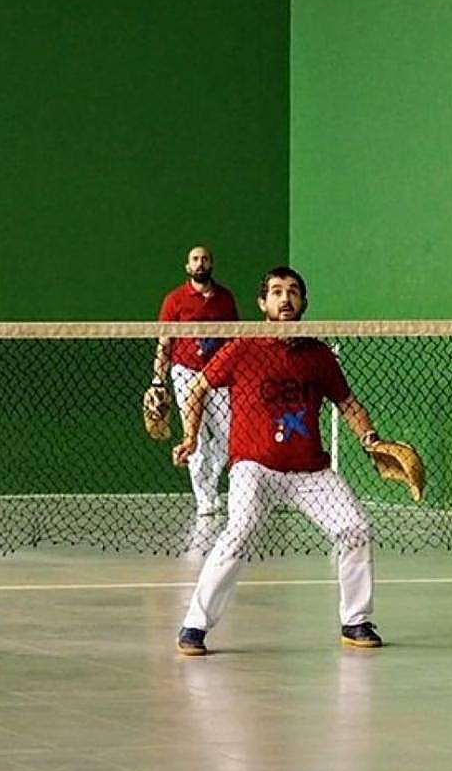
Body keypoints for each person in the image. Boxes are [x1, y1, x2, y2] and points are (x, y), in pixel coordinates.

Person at [173, 266, 390, 656]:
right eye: (276, 292)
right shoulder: (242, 347)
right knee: (239, 532)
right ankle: (194, 625)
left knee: (355, 528)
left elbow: (347, 403)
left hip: (310, 471)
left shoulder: (318, 354)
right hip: (254, 466)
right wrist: (190, 436)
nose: (285, 298)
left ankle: (355, 620)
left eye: (292, 292)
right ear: (263, 303)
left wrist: (370, 438)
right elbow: (198, 387)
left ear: (303, 302)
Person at [153, 246, 239, 550]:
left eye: (204, 258)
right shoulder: (174, 300)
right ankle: (205, 499)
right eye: (194, 259)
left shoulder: (226, 298)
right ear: (187, 266)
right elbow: (165, 342)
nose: (200, 263)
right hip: (185, 374)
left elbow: (234, 341)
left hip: (219, 375)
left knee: (231, 437)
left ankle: (213, 484)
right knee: (197, 440)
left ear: (212, 263)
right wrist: (157, 380)